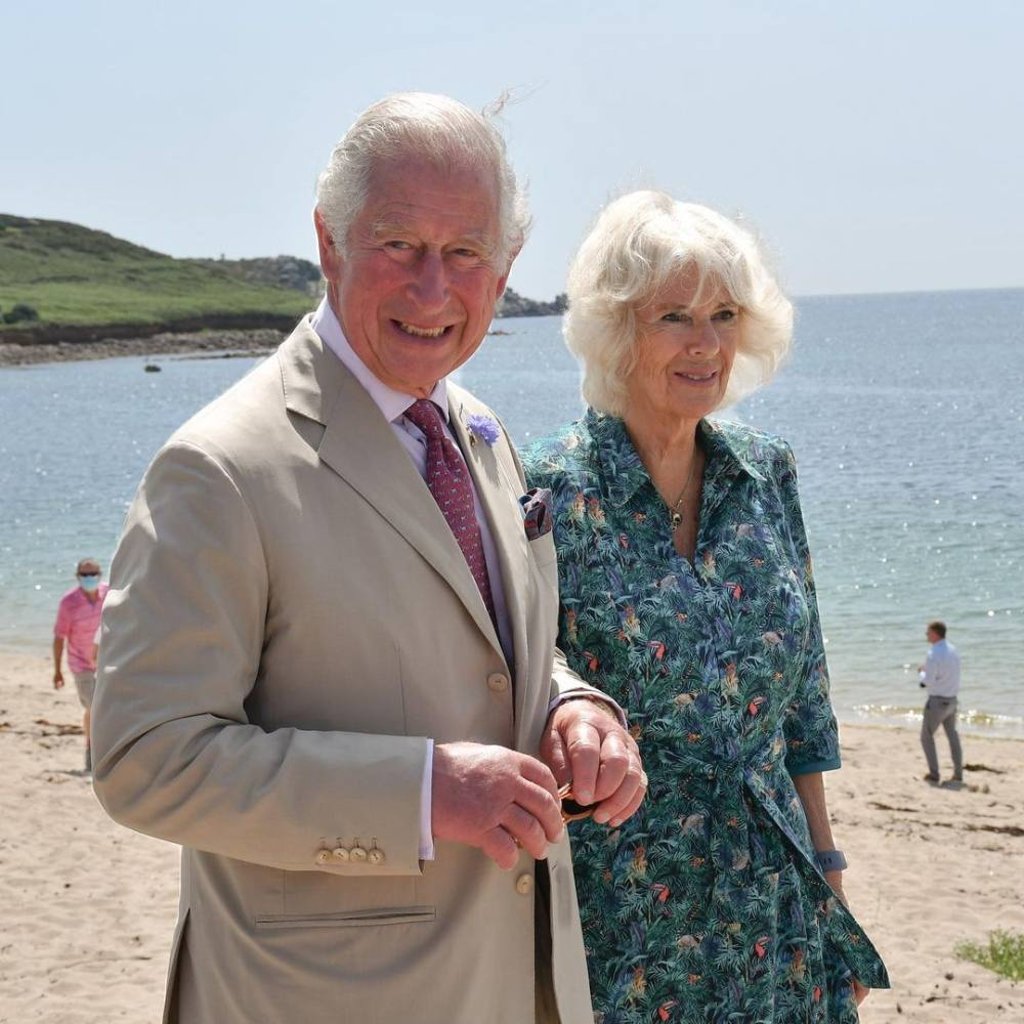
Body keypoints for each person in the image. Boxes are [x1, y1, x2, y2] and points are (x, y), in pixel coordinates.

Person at [90, 93, 645, 1024]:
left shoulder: (477, 429)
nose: (435, 288)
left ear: (504, 269)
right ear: (329, 241)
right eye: (399, 244)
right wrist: (421, 791)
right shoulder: (217, 468)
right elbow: (146, 758)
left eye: (465, 252)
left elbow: (493, 644)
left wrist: (573, 706)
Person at [523, 191, 889, 1022]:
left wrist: (828, 868)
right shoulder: (543, 489)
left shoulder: (767, 472)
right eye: (674, 317)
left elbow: (805, 699)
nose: (706, 343)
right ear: (618, 331)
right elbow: (517, 685)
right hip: (627, 917)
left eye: (725, 314)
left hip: (779, 908)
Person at [52, 557, 108, 772]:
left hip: (107, 663)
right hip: (81, 665)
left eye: (93, 573)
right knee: (94, 708)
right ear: (77, 577)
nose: (90, 578)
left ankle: (102, 749)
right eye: (85, 574)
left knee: (104, 707)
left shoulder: (110, 594)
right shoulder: (69, 603)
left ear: (100, 574)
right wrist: (57, 671)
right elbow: (59, 637)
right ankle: (91, 752)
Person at [918, 620, 963, 783]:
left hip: (937, 701)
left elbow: (927, 681)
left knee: (926, 737)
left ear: (935, 633)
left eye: (928, 632)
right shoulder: (953, 650)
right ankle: (958, 773)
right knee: (953, 736)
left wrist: (921, 674)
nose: (926, 636)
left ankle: (934, 773)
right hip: (952, 699)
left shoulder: (933, 653)